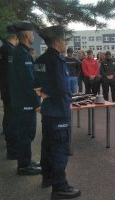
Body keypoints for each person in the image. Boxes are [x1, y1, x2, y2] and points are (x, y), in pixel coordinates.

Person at [35, 25, 81, 199]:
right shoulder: (57, 60)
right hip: (59, 110)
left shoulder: (40, 59)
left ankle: (47, 178)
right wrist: (55, 92)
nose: (66, 43)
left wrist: (43, 91)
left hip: (47, 111)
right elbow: (62, 88)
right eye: (64, 39)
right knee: (59, 149)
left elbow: (35, 83)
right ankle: (60, 186)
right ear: (56, 41)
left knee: (47, 146)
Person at [8, 21, 41, 175]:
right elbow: (29, 82)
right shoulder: (22, 54)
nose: (33, 36)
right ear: (27, 35)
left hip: (21, 101)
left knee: (26, 133)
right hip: (24, 103)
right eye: (32, 33)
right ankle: (23, 166)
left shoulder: (21, 52)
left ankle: (26, 161)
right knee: (26, 133)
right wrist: (37, 103)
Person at [0, 25, 19, 160]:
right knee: (13, 120)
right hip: (11, 90)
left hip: (5, 88)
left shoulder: (1, 50)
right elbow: (13, 74)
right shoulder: (10, 50)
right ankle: (13, 150)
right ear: (15, 36)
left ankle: (10, 144)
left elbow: (1, 72)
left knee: (9, 117)